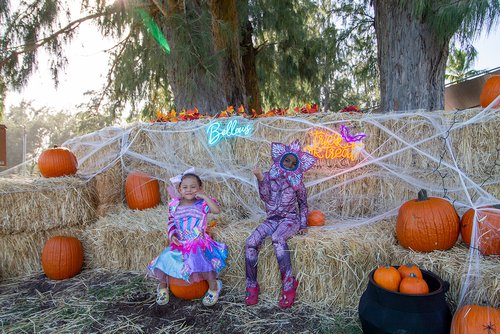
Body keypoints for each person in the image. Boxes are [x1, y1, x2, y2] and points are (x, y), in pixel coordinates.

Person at [245, 140, 317, 308]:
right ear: (279, 159)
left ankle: (288, 285)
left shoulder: (298, 183)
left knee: (278, 239)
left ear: (298, 165)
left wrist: (303, 224)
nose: (289, 164)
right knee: (250, 243)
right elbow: (265, 198)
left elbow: (303, 205)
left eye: (293, 163)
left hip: (289, 220)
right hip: (271, 219)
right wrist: (261, 179)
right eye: (286, 160)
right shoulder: (269, 176)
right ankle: (251, 285)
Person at [147, 168, 228, 306]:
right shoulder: (174, 205)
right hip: (180, 243)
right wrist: (172, 235)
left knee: (203, 264)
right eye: (185, 187)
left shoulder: (202, 204)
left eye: (193, 187)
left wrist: (204, 196)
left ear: (200, 188)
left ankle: (214, 288)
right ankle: (162, 287)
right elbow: (171, 221)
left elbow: (216, 210)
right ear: (179, 189)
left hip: (198, 243)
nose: (189, 190)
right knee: (165, 260)